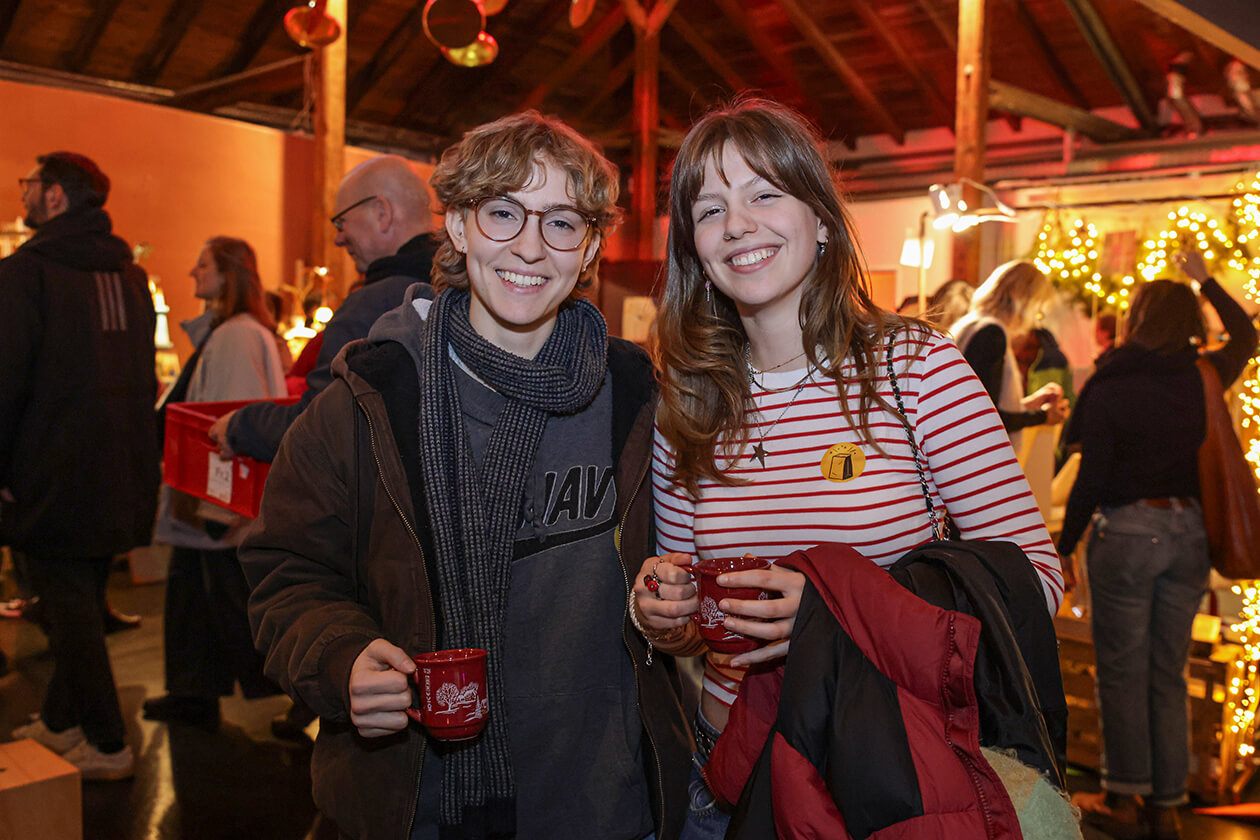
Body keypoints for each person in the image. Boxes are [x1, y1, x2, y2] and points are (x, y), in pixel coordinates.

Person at [241, 111, 692, 840]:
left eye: (561, 223)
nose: (529, 247)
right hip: (418, 803)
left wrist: (672, 602)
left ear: (589, 248)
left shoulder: (635, 396)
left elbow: (684, 553)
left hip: (604, 803)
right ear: (457, 226)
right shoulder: (369, 400)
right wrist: (339, 656)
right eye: (503, 213)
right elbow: (286, 571)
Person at [636, 98, 1066, 837]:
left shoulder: (916, 370)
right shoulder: (687, 398)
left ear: (823, 222)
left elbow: (1036, 584)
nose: (736, 224)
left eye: (764, 194)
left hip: (877, 777)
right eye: (710, 210)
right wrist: (664, 613)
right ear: (694, 249)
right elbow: (697, 620)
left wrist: (835, 613)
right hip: (724, 777)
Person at [1059, 250, 1257, 840]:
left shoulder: (1111, 382)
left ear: (1136, 320)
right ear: (1189, 322)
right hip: (1189, 535)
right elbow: (1248, 334)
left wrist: (1064, 546)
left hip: (1125, 535)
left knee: (1121, 673)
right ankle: (1166, 807)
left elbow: (1092, 478)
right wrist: (1206, 280)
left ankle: (1123, 800)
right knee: (1167, 673)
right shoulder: (1203, 374)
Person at [0, 152, 159, 779]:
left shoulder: (26, 272)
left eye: (30, 184)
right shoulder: (130, 275)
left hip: (49, 473)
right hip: (118, 469)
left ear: (56, 196)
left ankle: (108, 742)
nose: (24, 194)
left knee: (70, 616)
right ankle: (63, 721)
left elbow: (6, 380)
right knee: (81, 605)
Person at [143, 236, 287, 731]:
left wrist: (223, 510)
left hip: (217, 499)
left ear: (229, 274)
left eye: (203, 264)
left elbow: (233, 420)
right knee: (195, 599)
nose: (192, 272)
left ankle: (284, 693)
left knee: (226, 601)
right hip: (211, 499)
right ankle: (193, 691)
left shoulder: (235, 337)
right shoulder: (230, 332)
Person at [210, 155, 437, 462]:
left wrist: (241, 427)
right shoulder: (461, 292)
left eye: (341, 222)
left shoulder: (372, 305)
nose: (338, 239)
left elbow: (321, 427)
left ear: (382, 213)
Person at [951, 261, 1070, 449]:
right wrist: (1042, 416)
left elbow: (986, 402)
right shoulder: (991, 333)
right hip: (978, 453)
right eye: (1038, 308)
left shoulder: (971, 324)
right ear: (1025, 301)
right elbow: (986, 418)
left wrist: (1028, 405)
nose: (1036, 317)